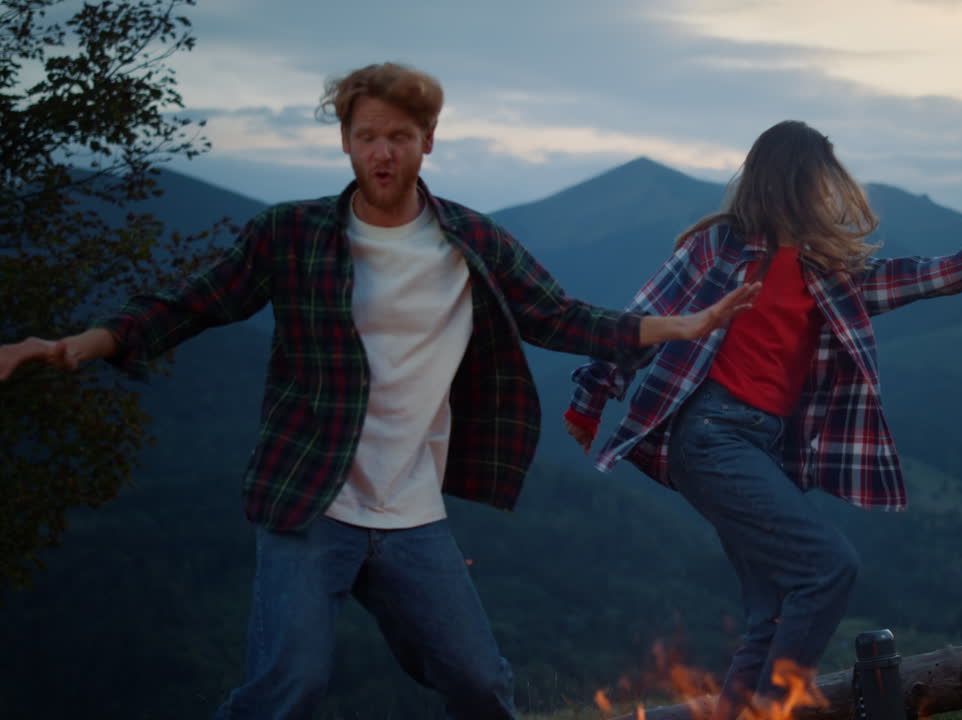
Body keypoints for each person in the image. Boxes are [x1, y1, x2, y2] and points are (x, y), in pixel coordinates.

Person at [0, 62, 759, 720]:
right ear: (345, 141)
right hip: (309, 500)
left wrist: (683, 326)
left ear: (428, 141)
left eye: (400, 135)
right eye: (367, 136)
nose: (383, 151)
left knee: (481, 684)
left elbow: (560, 317)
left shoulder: (472, 242)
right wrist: (82, 343)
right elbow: (192, 304)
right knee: (288, 687)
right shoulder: (291, 235)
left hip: (411, 514)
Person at [564, 120, 962, 719]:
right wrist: (591, 397)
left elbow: (928, 275)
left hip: (761, 448)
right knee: (827, 568)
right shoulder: (719, 248)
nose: (829, 190)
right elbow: (645, 317)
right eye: (821, 178)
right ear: (794, 180)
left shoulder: (825, 269)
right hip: (711, 438)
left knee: (772, 611)